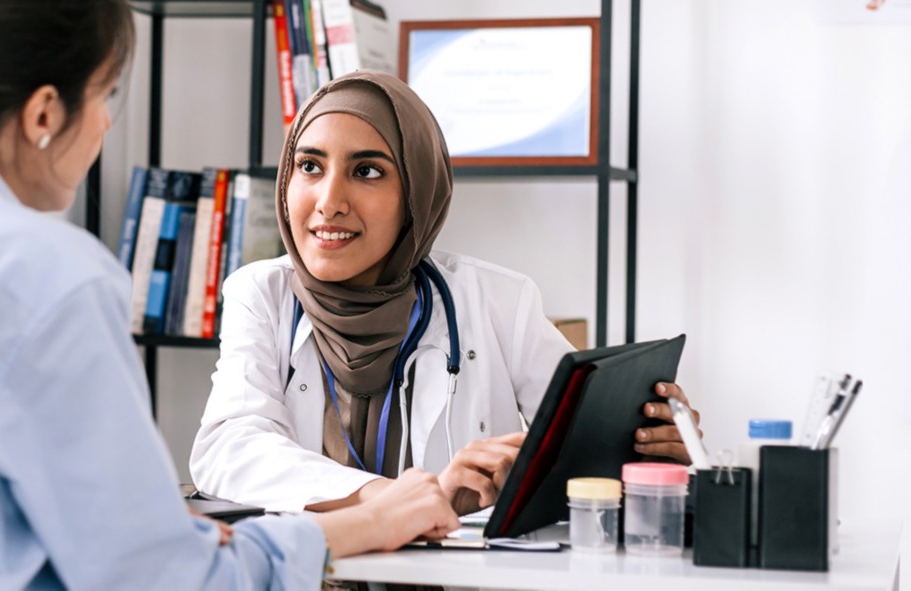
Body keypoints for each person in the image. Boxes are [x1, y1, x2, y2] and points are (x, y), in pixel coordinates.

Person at [0, 2, 458, 589]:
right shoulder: (45, 271)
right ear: (42, 114)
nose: (107, 124)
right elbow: (165, 582)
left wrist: (165, 531)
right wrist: (361, 524)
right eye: (105, 94)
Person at [190, 71, 702, 516]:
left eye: (367, 171)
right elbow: (230, 447)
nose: (329, 202)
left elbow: (580, 445)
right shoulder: (261, 293)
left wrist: (649, 447)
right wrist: (408, 498)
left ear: (418, 189)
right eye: (310, 166)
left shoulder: (499, 300)